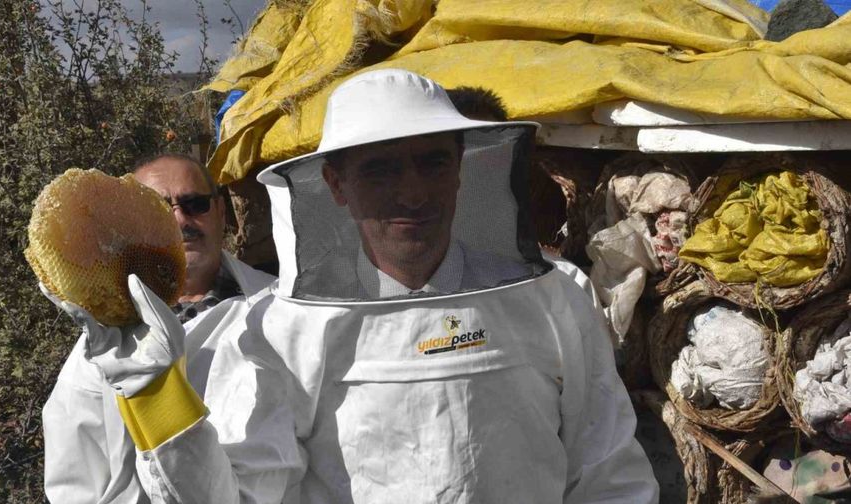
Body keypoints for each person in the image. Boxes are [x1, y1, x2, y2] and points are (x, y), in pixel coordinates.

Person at [44, 69, 657, 503]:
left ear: (463, 170)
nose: (412, 193)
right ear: (334, 185)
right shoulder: (278, 329)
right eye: (382, 169)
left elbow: (609, 471)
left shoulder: (555, 297)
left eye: (432, 162)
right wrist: (156, 393)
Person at [42, 154, 276, 503]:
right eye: (158, 208)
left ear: (221, 214)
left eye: (195, 204)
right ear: (129, 229)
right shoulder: (99, 349)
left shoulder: (279, 310)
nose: (181, 220)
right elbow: (75, 485)